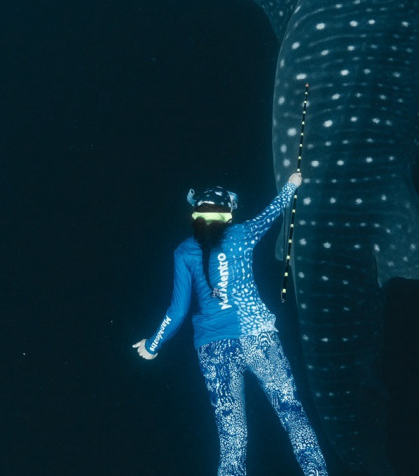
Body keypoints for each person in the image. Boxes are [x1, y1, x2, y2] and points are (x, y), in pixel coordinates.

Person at [133, 172, 328, 476]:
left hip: (213, 349)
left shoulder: (184, 251)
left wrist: (153, 345)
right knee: (292, 414)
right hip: (259, 338)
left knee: (231, 436)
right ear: (228, 214)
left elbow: (177, 310)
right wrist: (292, 184)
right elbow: (274, 210)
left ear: (196, 214)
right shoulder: (243, 233)